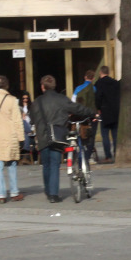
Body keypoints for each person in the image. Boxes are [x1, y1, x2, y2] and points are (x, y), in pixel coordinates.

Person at [29, 74, 95, 203]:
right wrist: (91, 112)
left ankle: (48, 191)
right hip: (58, 134)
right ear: (54, 86)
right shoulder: (61, 99)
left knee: (46, 164)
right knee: (54, 163)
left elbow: (32, 119)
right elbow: (77, 108)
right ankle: (53, 194)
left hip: (42, 135)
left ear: (42, 87)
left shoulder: (37, 102)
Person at [93, 65, 120, 162]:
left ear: (100, 73)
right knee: (115, 134)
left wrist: (98, 108)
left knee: (105, 135)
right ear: (108, 72)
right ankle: (117, 154)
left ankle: (108, 156)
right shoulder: (115, 83)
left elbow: (98, 97)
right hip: (115, 111)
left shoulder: (98, 84)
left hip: (104, 111)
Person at [73, 69, 98, 163]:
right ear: (93, 78)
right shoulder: (94, 88)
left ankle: (80, 154)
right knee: (91, 136)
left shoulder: (78, 88)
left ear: (85, 77)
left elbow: (73, 101)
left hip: (80, 116)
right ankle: (88, 156)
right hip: (91, 116)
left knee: (81, 135)